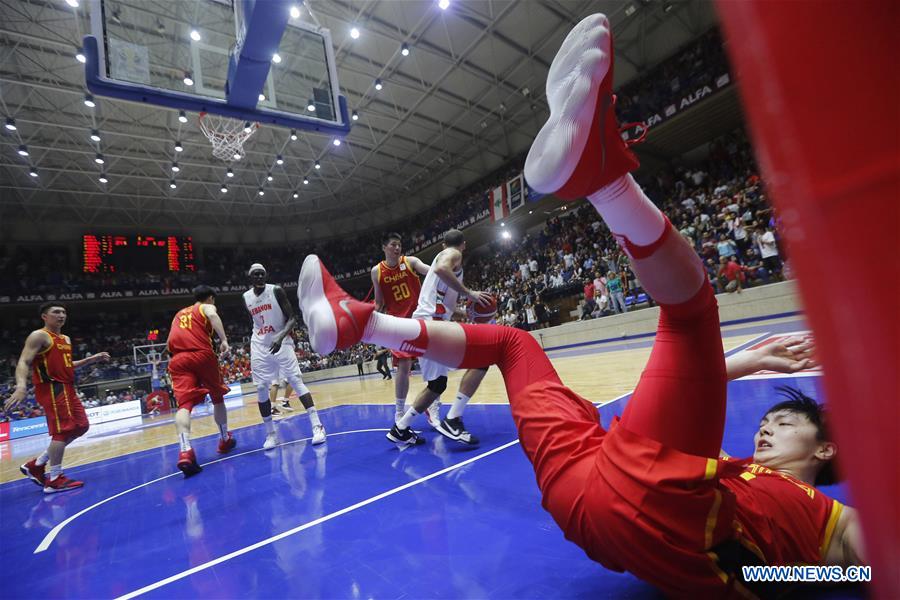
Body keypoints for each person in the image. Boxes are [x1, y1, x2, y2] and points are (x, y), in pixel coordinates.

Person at [295, 14, 865, 596]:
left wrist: (768, 576)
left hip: (653, 512)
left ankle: (604, 176)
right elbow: (681, 399)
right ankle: (359, 324)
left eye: (786, 423)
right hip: (589, 490)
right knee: (511, 342)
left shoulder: (830, 519)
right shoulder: (731, 472)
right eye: (772, 421)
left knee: (693, 310)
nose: (766, 429)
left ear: (826, 448)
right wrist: (749, 361)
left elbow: (868, 562)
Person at [370, 228, 490, 446]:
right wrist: (469, 293)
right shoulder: (454, 255)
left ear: (442, 244)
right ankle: (452, 419)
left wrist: (464, 312)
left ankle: (401, 428)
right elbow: (444, 269)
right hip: (431, 325)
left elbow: (441, 296)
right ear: (463, 245)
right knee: (481, 358)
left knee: (437, 384)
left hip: (426, 323)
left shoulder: (426, 263)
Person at [4, 302, 110, 493]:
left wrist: (91, 359)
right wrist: (21, 386)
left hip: (67, 387)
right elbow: (24, 361)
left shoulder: (66, 339)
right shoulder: (39, 335)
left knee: (82, 426)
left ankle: (37, 464)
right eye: (56, 312)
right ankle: (54, 479)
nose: (61, 315)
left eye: (63, 312)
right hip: (52, 387)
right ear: (45, 316)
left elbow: (67, 365)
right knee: (62, 431)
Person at [243, 263, 325, 449]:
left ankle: (317, 426)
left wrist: (280, 336)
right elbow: (253, 323)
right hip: (259, 344)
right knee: (262, 387)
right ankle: (271, 434)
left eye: (262, 274)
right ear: (250, 277)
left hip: (282, 340)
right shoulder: (245, 297)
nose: (259, 277)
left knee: (295, 380)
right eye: (255, 274)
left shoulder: (276, 291)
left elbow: (292, 318)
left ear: (266, 275)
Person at [167, 285, 235, 476]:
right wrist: (224, 341)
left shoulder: (179, 314)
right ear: (211, 298)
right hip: (201, 354)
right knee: (217, 396)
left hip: (178, 359)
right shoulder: (205, 307)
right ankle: (224, 439)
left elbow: (168, 343)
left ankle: (185, 450)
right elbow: (213, 315)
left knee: (184, 405)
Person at [370, 232, 430, 420]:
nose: (397, 248)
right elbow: (379, 302)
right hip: (397, 323)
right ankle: (398, 411)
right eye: (393, 245)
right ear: (384, 247)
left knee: (431, 364)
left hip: (420, 319)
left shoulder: (410, 262)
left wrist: (443, 267)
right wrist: (369, 318)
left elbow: (432, 271)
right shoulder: (377, 271)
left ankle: (432, 405)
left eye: (399, 245)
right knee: (404, 366)